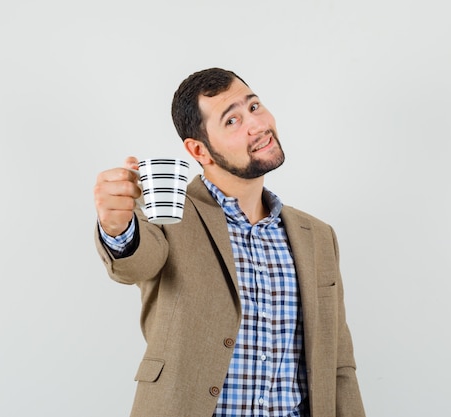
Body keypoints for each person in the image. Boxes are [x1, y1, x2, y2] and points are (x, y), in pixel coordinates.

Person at [93, 67, 366, 417]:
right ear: (199, 150)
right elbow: (138, 261)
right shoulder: (168, 211)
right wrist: (117, 226)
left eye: (253, 107)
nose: (257, 125)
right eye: (232, 121)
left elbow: (338, 365)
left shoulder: (318, 236)